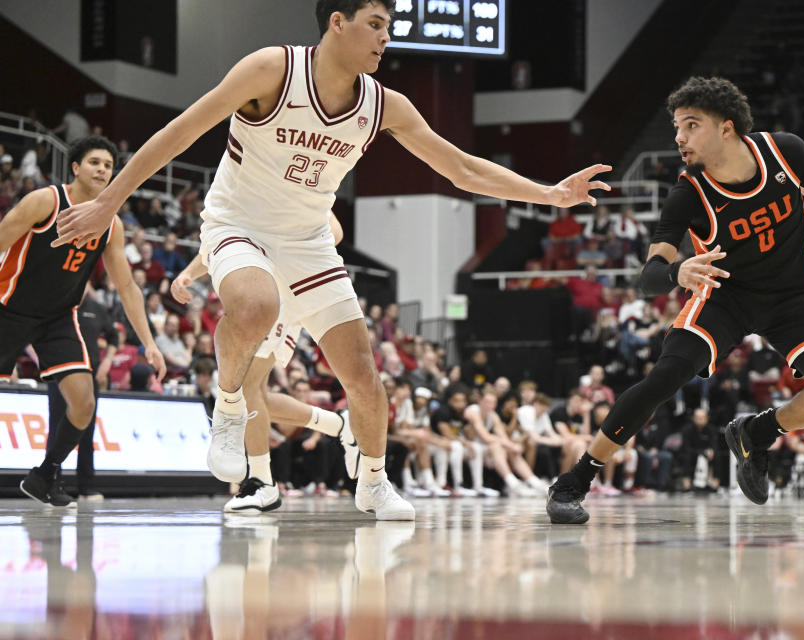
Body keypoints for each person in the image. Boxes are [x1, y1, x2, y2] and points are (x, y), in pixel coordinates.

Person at [53, 0, 610, 521]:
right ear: (337, 23)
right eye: (375, 23)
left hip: (309, 241)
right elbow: (180, 133)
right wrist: (108, 202)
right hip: (237, 223)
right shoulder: (272, 69)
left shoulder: (385, 104)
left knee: (363, 376)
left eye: (389, 27)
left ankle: (372, 479)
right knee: (255, 306)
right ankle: (227, 409)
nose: (385, 38)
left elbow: (461, 168)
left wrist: (552, 194)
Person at [547, 76, 804, 523]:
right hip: (725, 297)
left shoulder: (785, 151)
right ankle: (574, 480)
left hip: (793, 296)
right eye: (676, 126)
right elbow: (649, 279)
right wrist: (678, 272)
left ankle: (757, 432)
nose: (679, 137)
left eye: (691, 125)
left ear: (727, 128)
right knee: (664, 378)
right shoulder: (688, 194)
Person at [0, 136, 165, 507]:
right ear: (75, 167)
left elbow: (126, 287)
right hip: (8, 307)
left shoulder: (112, 224)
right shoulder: (45, 201)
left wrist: (149, 343)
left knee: (83, 403)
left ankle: (44, 475)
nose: (102, 170)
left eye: (108, 165)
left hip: (58, 317)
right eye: (94, 162)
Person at [170, 213, 355, 512]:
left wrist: (281, 244)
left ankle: (262, 481)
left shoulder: (296, 182)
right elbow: (224, 238)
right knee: (256, 394)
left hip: (280, 294)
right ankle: (341, 425)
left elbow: (334, 231)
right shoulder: (246, 185)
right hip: (255, 293)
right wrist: (190, 273)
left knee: (246, 388)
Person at [46, 282, 118, 501]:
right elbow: (37, 334)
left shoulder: (96, 308)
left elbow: (114, 337)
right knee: (58, 428)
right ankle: (51, 483)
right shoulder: (58, 306)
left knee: (87, 431)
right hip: (62, 376)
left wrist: (107, 363)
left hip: (91, 376)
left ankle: (86, 486)